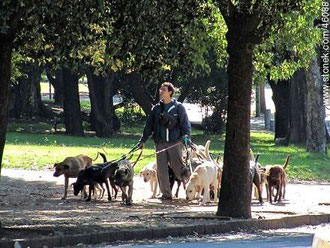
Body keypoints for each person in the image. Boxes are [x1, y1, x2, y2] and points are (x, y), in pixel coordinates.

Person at [138, 82, 191, 200]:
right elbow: (149, 126)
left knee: (179, 169)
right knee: (161, 170)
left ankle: (191, 186)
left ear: (170, 92)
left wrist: (186, 136)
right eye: (160, 89)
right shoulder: (156, 109)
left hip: (175, 143)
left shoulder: (179, 107)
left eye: (164, 89)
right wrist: (143, 140)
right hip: (160, 143)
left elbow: (185, 124)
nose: (161, 91)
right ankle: (166, 195)